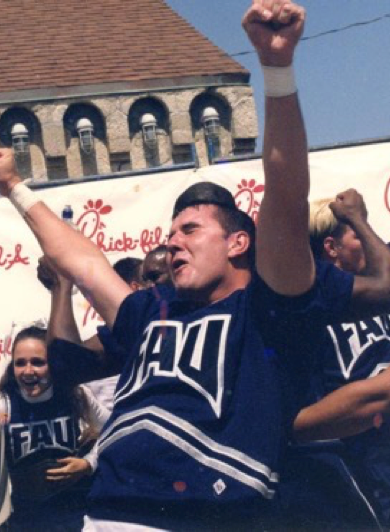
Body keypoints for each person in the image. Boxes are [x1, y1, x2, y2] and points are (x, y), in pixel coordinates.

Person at [1, 1, 390, 529]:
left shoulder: (269, 304)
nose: (174, 243)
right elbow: (82, 260)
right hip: (111, 512)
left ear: (236, 243)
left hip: (215, 509)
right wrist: (13, 186)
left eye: (190, 231)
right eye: (169, 232)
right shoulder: (151, 310)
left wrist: (276, 70)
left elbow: (286, 187)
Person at [286, 190, 390, 529]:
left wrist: (359, 223)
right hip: (367, 462)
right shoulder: (310, 311)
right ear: (331, 248)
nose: (372, 241)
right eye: (359, 236)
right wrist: (356, 218)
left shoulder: (378, 295)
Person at [0, 326, 110, 532]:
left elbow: (116, 429)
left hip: (76, 516)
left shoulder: (75, 395)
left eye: (38, 362)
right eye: (20, 363)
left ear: (53, 364)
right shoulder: (4, 404)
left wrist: (88, 463)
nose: (28, 371)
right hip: (25, 519)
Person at [38, 256, 145, 411]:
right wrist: (60, 286)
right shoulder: (128, 335)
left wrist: (61, 286)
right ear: (135, 288)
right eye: (150, 278)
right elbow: (66, 362)